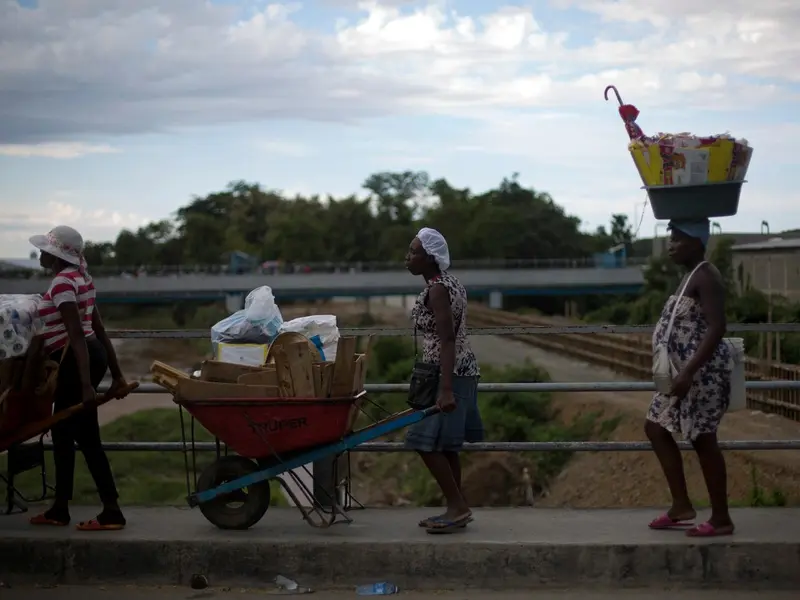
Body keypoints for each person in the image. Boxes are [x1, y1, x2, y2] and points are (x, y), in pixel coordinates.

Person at [28, 226, 130, 531]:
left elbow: (76, 335)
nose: (41, 254)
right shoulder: (81, 278)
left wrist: (86, 386)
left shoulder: (61, 283)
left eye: (46, 250)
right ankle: (64, 507)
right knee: (69, 435)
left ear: (57, 255)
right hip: (91, 356)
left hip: (76, 362)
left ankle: (106, 511)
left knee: (81, 437)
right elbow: (97, 329)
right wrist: (118, 375)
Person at [645, 218, 734, 537]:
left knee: (703, 438)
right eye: (671, 237)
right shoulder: (689, 276)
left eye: (677, 238)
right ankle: (681, 504)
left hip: (699, 375)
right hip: (682, 376)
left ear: (697, 242)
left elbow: (717, 327)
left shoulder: (707, 276)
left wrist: (688, 371)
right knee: (655, 427)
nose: (670, 245)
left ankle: (721, 518)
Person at [404, 227, 483, 534]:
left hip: (447, 373)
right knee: (446, 445)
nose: (408, 258)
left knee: (423, 441)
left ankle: (458, 506)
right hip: (456, 370)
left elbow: (448, 338)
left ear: (431, 258)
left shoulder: (438, 289)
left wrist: (446, 388)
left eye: (414, 252)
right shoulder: (450, 283)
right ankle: (457, 507)